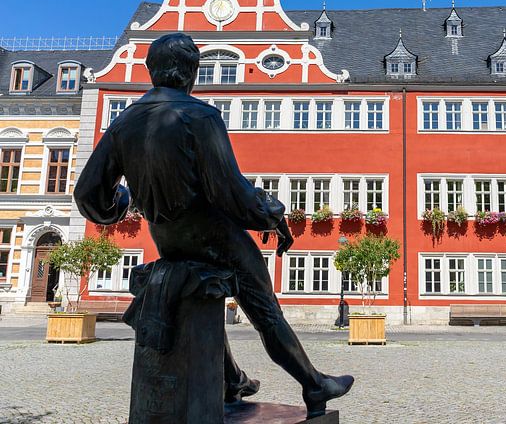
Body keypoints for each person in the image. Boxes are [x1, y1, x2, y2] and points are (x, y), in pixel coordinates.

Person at [74, 33, 353, 417]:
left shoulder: (124, 122)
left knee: (203, 302)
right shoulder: (200, 116)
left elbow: (87, 194)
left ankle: (232, 380)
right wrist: (271, 214)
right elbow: (230, 191)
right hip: (213, 235)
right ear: (192, 73)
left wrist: (121, 203)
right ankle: (314, 384)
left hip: (167, 238)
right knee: (265, 312)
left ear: (151, 70)